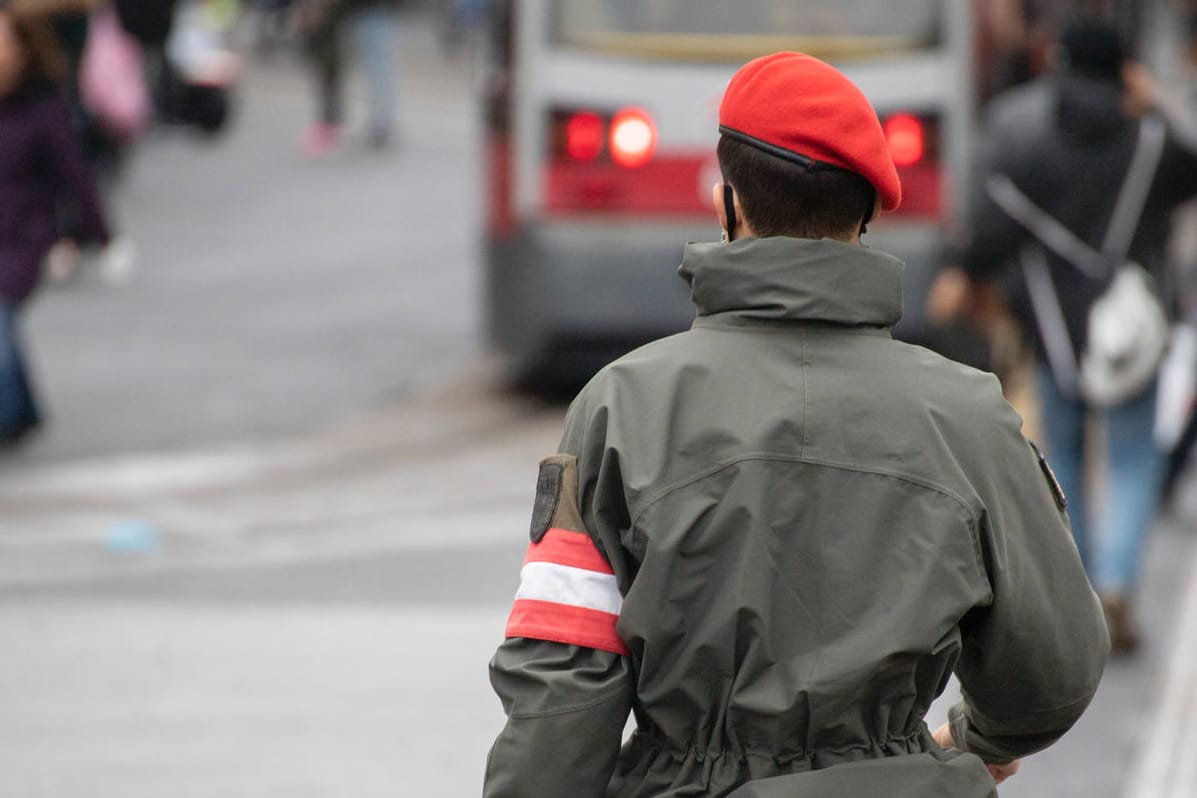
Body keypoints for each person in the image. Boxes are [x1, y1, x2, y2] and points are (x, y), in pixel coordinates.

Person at [483, 51, 1109, 798]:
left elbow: (560, 692)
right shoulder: (969, 414)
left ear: (728, 205)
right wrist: (969, 742)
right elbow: (1054, 667)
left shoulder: (620, 408)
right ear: (866, 218)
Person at [928, 16, 1197, 655]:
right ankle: (1118, 585)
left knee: (1066, 460)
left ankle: (1079, 595)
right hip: (1132, 333)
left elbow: (991, 227)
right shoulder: (1153, 142)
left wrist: (961, 275)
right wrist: (1155, 100)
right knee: (1133, 459)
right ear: (1125, 70)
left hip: (1050, 325)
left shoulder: (1025, 136)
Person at [0, 4, 114, 446]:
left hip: (22, 238)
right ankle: (24, 408)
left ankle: (7, 418)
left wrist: (99, 235)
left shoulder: (42, 107)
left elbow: (76, 176)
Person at [295, 0, 399, 156]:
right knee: (335, 64)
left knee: (376, 65)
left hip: (370, 11)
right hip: (347, 13)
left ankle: (380, 123)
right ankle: (334, 121)